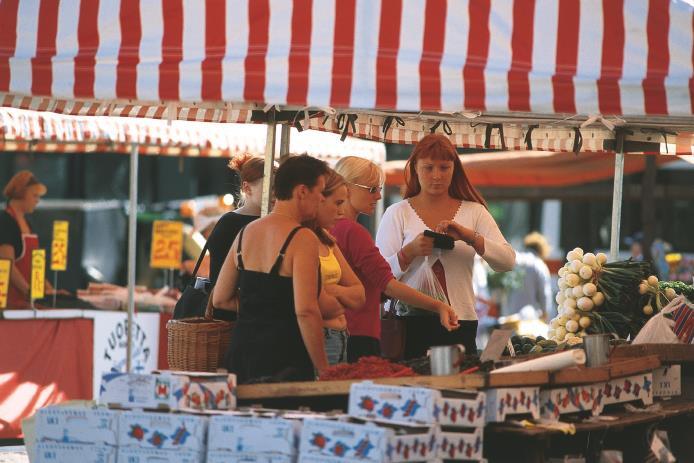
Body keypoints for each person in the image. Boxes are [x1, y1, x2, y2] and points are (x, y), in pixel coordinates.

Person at [375, 134, 515, 359]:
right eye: (428, 168)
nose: (436, 176)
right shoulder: (397, 213)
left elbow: (507, 261)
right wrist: (408, 252)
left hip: (461, 321)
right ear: (415, 168)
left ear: (454, 169)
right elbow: (379, 278)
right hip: (409, 323)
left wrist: (469, 237)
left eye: (444, 167)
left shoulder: (474, 212)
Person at [213, 155, 330, 383]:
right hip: (284, 359)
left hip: (241, 356)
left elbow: (220, 299)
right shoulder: (302, 237)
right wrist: (324, 369)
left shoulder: (246, 232)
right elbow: (306, 310)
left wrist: (259, 309)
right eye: (321, 191)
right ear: (303, 191)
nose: (322, 200)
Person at [332, 156, 459, 363]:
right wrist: (439, 306)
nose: (379, 196)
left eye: (379, 188)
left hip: (340, 331)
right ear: (346, 187)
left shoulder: (330, 229)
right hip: (359, 334)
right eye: (371, 189)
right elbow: (388, 284)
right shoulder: (353, 232)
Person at [304, 169, 365, 365]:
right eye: (338, 203)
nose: (341, 211)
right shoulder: (302, 240)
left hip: (341, 337)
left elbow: (360, 295)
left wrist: (334, 290)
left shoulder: (327, 239)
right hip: (319, 338)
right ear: (319, 200)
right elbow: (318, 306)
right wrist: (343, 298)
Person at [205, 155, 272, 320]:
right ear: (247, 188)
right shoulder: (229, 223)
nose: (275, 194)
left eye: (279, 188)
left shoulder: (275, 222)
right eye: (270, 187)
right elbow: (220, 280)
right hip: (230, 320)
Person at [0, 171, 65, 308]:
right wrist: (30, 293)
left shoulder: (29, 224)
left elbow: (37, 266)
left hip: (29, 303)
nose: (37, 200)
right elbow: (7, 266)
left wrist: (49, 291)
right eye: (34, 195)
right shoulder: (5, 222)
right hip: (9, 304)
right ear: (20, 193)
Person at [505, 232, 553, 319]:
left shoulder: (517, 260)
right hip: (531, 318)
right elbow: (544, 294)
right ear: (542, 249)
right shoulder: (539, 265)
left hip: (511, 316)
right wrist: (545, 313)